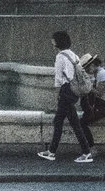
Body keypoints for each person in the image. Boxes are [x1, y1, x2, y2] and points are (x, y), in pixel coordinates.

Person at [35, 30, 96, 163]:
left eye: (53, 40)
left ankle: (83, 153)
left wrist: (58, 96)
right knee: (67, 122)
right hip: (73, 92)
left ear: (57, 42)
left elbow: (58, 79)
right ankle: (54, 151)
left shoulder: (60, 57)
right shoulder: (73, 55)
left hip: (66, 91)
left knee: (64, 123)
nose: (52, 42)